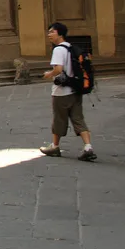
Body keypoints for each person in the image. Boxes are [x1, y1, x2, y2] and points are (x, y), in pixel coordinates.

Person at [41, 22, 96, 161]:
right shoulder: (71, 48)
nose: (49, 34)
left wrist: (49, 74)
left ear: (60, 33)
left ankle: (55, 146)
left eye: (52, 32)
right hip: (76, 89)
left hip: (62, 91)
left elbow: (58, 69)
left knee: (59, 119)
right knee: (78, 119)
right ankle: (88, 147)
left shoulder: (58, 50)